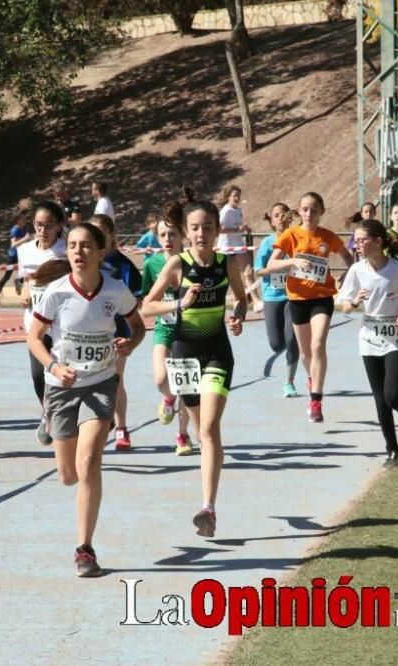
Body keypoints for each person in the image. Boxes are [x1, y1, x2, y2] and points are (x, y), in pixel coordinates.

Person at [28, 222, 146, 577]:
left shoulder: (116, 290)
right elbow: (34, 338)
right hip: (62, 384)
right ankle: (51, 421)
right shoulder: (56, 292)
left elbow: (137, 326)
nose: (78, 252)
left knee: (90, 461)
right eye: (73, 246)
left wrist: (132, 342)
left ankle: (85, 549)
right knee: (67, 476)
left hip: (101, 382)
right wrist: (53, 365)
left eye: (85, 246)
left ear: (99, 251)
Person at [142, 193, 247, 538]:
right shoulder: (177, 265)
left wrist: (237, 316)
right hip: (183, 354)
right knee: (206, 436)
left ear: (218, 230)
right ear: (187, 233)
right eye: (195, 228)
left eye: (207, 227)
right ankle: (211, 460)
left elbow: (241, 300)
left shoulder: (226, 263)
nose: (201, 233)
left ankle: (208, 508)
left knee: (210, 427)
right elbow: (147, 306)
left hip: (217, 351)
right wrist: (178, 305)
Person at [340, 220, 398, 468]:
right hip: (369, 338)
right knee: (380, 399)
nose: (356, 244)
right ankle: (392, 450)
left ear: (378, 241)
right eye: (354, 240)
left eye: (361, 240)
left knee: (392, 395)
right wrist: (355, 301)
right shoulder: (357, 271)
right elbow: (345, 305)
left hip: (395, 338)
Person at [266, 192, 353, 423]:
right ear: (299, 210)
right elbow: (271, 263)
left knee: (318, 344)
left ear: (322, 212)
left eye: (314, 210)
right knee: (305, 353)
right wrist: (292, 261)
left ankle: (316, 400)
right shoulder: (290, 235)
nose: (309, 214)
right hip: (297, 299)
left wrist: (347, 275)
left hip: (322, 298)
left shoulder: (327, 237)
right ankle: (311, 378)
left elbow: (348, 258)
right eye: (305, 209)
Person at [141, 202, 194, 455]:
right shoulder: (152, 264)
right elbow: (146, 301)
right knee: (161, 378)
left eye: (172, 234)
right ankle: (168, 399)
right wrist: (173, 304)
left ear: (182, 235)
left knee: (186, 385)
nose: (167, 239)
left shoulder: (192, 262)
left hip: (190, 330)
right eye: (162, 235)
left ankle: (183, 436)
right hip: (164, 327)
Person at [17, 201, 68, 445]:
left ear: (59, 226)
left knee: (61, 374)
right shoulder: (25, 250)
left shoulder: (67, 249)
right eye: (38, 224)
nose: (43, 230)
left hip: (62, 325)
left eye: (48, 225)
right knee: (38, 375)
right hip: (35, 323)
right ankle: (47, 412)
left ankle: (61, 416)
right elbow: (23, 279)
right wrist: (23, 292)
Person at [89, 214, 142, 449]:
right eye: (93, 233)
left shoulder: (123, 266)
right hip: (89, 333)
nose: (97, 238)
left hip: (118, 333)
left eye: (101, 232)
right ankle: (96, 423)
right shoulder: (86, 262)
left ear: (111, 235)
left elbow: (136, 301)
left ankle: (121, 428)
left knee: (115, 380)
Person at [254, 203, 300, 398]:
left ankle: (289, 382)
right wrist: (277, 268)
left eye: (283, 214)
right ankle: (286, 351)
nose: (280, 218)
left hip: (293, 295)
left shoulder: (297, 239)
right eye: (276, 215)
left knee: (291, 338)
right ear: (271, 220)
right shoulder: (267, 243)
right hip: (272, 294)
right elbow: (258, 270)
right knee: (276, 344)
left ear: (289, 217)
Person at [217, 184, 261, 310]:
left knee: (248, 271)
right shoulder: (225, 211)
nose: (237, 198)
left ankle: (256, 300)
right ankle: (224, 300)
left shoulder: (238, 210)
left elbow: (238, 227)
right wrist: (236, 229)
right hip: (226, 247)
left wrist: (244, 228)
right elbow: (219, 230)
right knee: (227, 275)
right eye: (234, 196)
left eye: (238, 196)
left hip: (238, 245)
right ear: (228, 197)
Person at [0, 211, 31, 307]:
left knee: (26, 273)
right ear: (18, 221)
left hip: (22, 255)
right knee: (7, 276)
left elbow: (26, 240)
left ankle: (18, 281)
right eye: (22, 219)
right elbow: (13, 244)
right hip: (13, 255)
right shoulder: (14, 230)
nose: (24, 220)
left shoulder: (24, 228)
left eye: (24, 219)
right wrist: (25, 239)